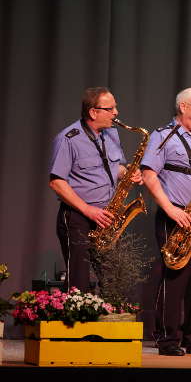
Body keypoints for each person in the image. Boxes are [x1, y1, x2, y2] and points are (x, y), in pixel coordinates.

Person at [141, 87, 191, 357]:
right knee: (175, 279)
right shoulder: (162, 136)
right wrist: (170, 209)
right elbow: (149, 175)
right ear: (184, 107)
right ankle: (168, 340)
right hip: (175, 215)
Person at [49, 87, 141, 292]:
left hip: (107, 215)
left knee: (114, 280)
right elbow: (57, 182)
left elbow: (115, 167)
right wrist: (87, 209)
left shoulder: (112, 134)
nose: (116, 112)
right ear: (93, 112)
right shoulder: (68, 138)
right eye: (110, 108)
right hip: (78, 216)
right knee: (79, 282)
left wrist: (128, 173)